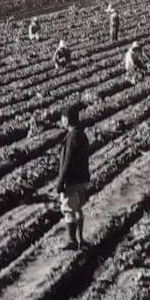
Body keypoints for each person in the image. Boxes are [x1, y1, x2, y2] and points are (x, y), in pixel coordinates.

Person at [56, 103, 90, 250]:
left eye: (62, 118)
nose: (61, 121)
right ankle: (80, 239)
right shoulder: (82, 135)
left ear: (67, 120)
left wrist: (61, 181)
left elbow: (67, 161)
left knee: (69, 209)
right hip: (83, 178)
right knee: (78, 209)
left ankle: (72, 241)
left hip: (72, 180)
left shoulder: (71, 137)